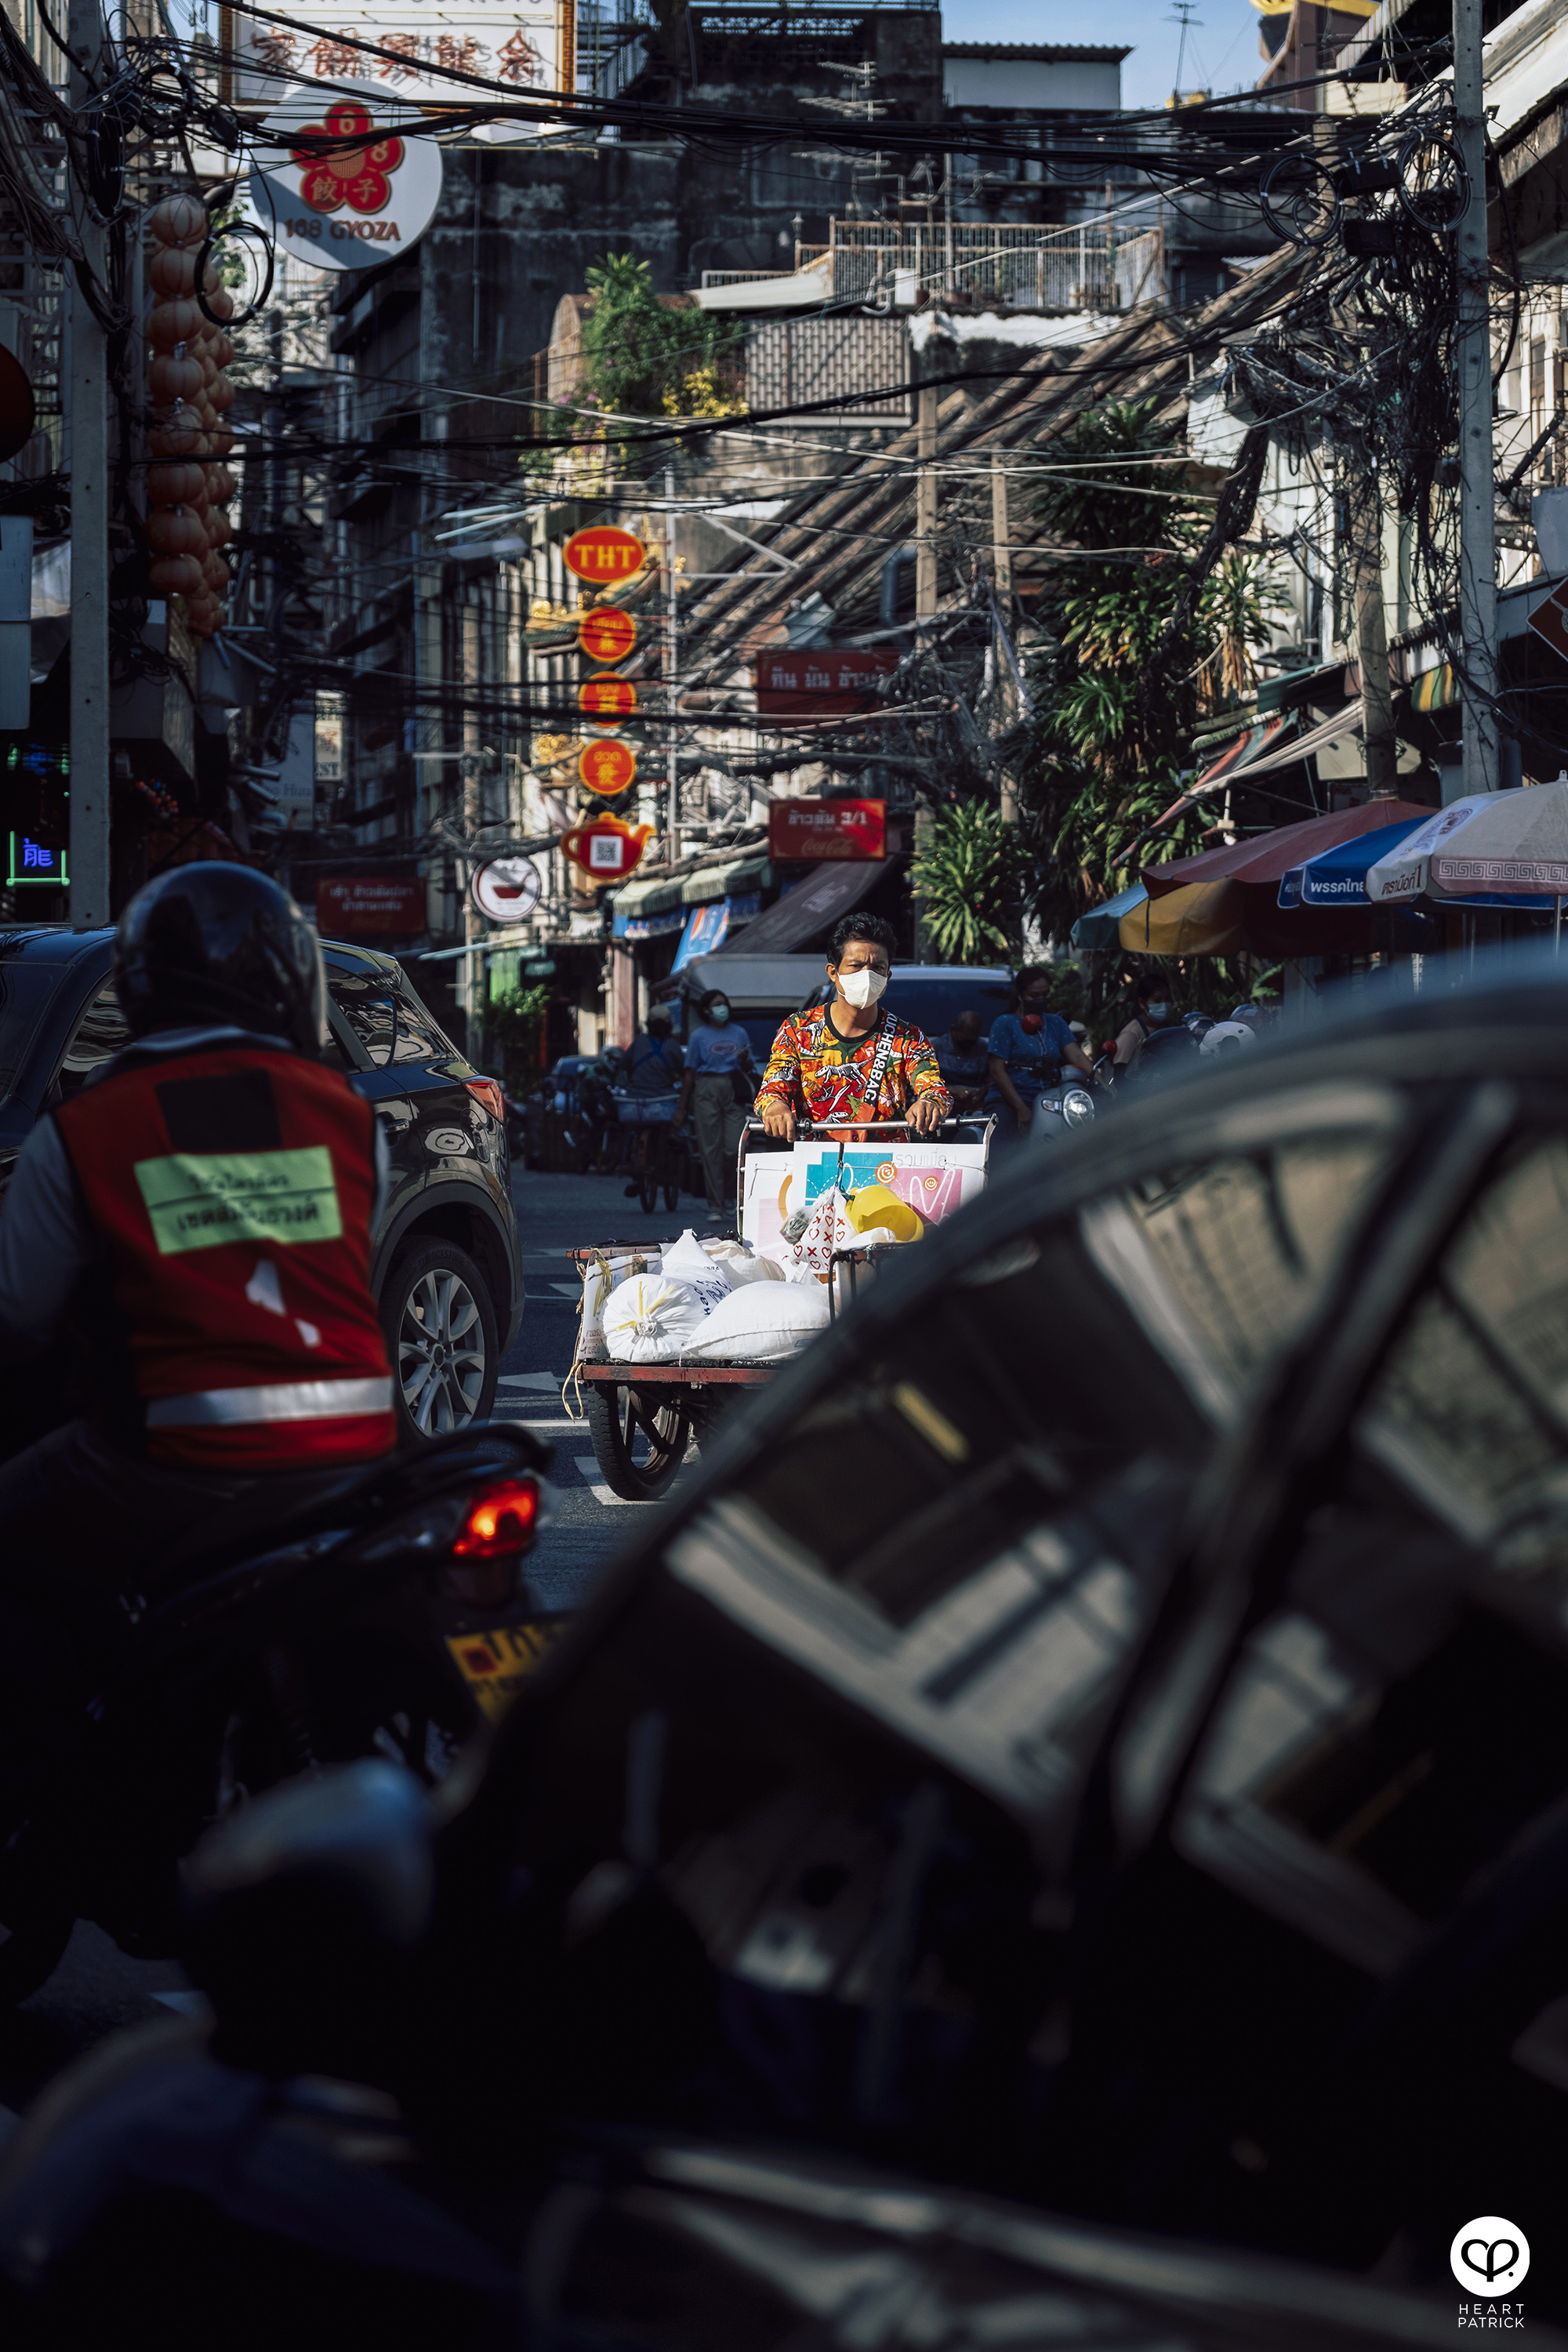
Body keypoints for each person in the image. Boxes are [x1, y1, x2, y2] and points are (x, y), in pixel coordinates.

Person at [0, 866, 398, 1770]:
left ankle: (87, 1780)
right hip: (361, 1453)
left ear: (139, 988)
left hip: (174, 1461)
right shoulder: (349, 1113)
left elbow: (18, 1316)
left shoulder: (83, 1128)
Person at [757, 914, 949, 1142]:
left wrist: (929, 1104)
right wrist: (775, 1108)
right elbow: (772, 1090)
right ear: (833, 973)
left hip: (887, 1170)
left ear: (888, 976)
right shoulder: (798, 1030)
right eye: (856, 966)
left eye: (878, 968)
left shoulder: (908, 1038)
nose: (867, 976)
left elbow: (935, 1089)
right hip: (816, 1166)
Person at [984, 967, 1094, 1142]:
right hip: (1009, 1100)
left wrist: (1102, 1080)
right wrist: (1020, 1108)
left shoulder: (1056, 1023)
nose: (1041, 1000)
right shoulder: (1005, 1023)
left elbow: (1078, 1056)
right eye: (1035, 996)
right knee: (1002, 1150)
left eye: (1045, 994)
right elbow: (997, 1070)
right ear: (1020, 995)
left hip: (1049, 1099)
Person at [676, 986, 755, 1223]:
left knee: (734, 1147)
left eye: (724, 1003)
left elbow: (749, 1067)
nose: (723, 1008)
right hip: (706, 1088)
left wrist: (744, 1060)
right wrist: (682, 1107)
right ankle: (715, 1204)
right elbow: (689, 1073)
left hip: (733, 1087)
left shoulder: (739, 1032)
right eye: (717, 1004)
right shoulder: (698, 1036)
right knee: (710, 1149)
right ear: (707, 1010)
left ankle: (731, 1196)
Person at [1112, 978, 1182, 1076]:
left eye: (1167, 999)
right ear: (1142, 1003)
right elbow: (1119, 1077)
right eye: (1157, 1000)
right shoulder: (1131, 1035)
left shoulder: (1170, 1024)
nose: (1164, 1005)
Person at [931, 1009, 991, 1115]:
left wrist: (982, 1092)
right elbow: (926, 1081)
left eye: (972, 1041)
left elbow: (992, 1079)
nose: (968, 1045)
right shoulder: (936, 1047)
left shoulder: (983, 1048)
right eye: (964, 1040)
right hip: (944, 1105)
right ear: (953, 1030)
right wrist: (951, 1090)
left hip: (976, 1107)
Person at [624, 1004, 683, 1095]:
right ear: (669, 1025)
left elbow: (624, 1064)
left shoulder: (639, 1040)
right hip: (664, 1099)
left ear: (648, 1023)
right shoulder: (673, 1044)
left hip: (635, 1097)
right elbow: (683, 1071)